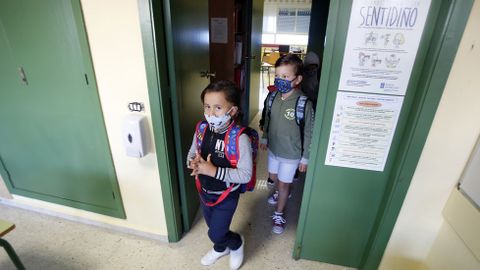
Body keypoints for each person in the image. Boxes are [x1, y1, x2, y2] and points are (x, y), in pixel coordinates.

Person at [187, 80, 252, 270]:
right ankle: (221, 248)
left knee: (215, 233)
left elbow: (245, 174)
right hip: (205, 192)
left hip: (226, 196)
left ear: (232, 111)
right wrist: (193, 162)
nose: (210, 113)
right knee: (213, 228)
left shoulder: (239, 138)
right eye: (207, 106)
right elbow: (192, 152)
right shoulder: (201, 129)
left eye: (217, 107)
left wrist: (212, 171)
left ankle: (236, 243)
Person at [260, 54, 314, 234]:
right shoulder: (272, 97)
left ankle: (279, 213)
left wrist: (305, 158)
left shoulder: (303, 102)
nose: (279, 80)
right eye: (277, 76)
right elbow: (267, 118)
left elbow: (309, 132)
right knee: (273, 177)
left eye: (285, 76)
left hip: (292, 154)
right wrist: (265, 137)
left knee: (283, 184)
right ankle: (283, 189)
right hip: (274, 150)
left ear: (297, 79)